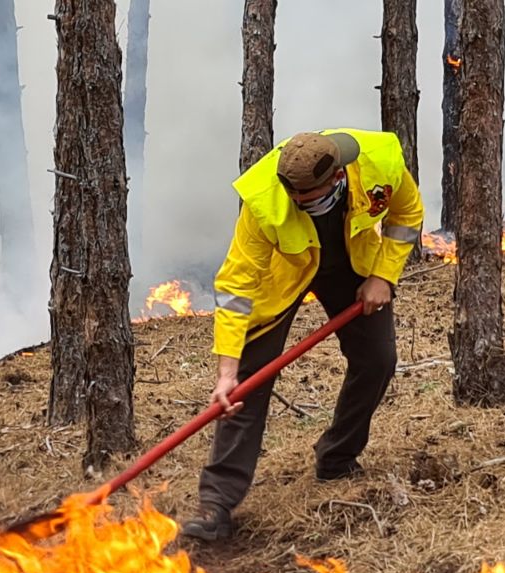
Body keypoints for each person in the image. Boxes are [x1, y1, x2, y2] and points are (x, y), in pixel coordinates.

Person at [181, 128, 424, 541]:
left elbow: (407, 215)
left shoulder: (381, 162)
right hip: (286, 273)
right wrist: (227, 370)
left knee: (378, 360)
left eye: (307, 199)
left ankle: (337, 458)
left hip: (353, 264)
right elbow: (237, 284)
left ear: (337, 178)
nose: (297, 203)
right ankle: (216, 503)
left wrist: (384, 275)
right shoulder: (265, 202)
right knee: (245, 386)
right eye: (294, 197)